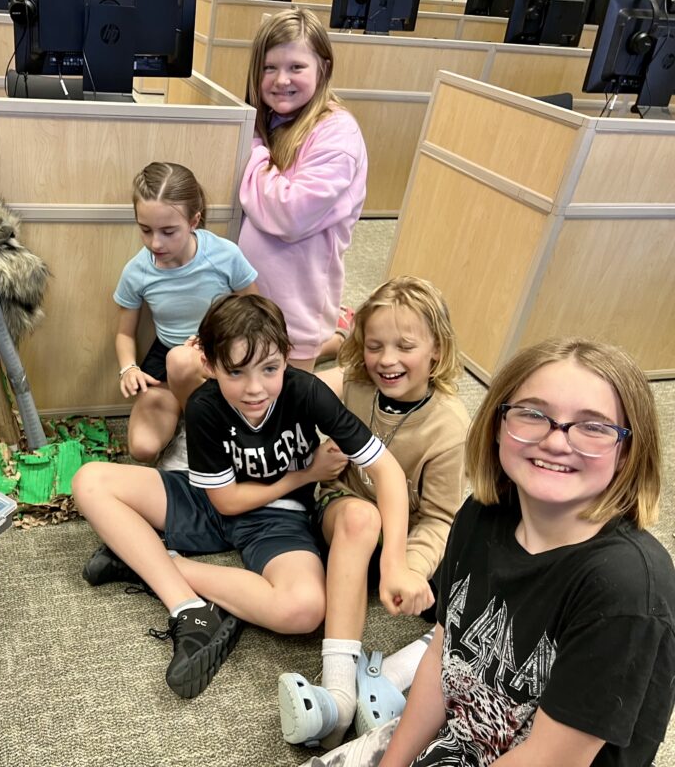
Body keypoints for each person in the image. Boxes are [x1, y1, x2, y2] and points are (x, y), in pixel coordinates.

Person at [73, 294, 413, 700]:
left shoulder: (306, 391)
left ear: (287, 357)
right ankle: (188, 606)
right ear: (210, 366)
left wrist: (394, 560)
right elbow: (225, 502)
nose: (255, 389)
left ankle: (147, 563)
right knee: (90, 481)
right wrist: (303, 475)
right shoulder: (205, 406)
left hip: (279, 520)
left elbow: (386, 469)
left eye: (270, 369)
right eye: (236, 372)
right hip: (217, 501)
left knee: (304, 610)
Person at [374, 337, 675, 766]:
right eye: (534, 414)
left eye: (593, 426)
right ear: (498, 425)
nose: (557, 441)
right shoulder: (480, 514)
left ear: (627, 451)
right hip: (465, 744)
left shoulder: (627, 588)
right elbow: (442, 656)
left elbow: (550, 759)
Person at [277, 276, 471, 749]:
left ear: (437, 353)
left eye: (405, 346)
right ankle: (340, 695)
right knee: (363, 518)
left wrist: (409, 569)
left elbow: (441, 519)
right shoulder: (352, 384)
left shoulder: (449, 427)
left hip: (408, 541)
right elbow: (294, 390)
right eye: (375, 345)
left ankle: (391, 673)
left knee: (484, 573)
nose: (387, 359)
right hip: (344, 511)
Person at [239, 7, 368, 372]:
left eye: (296, 67)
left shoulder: (337, 133)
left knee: (289, 400)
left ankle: (341, 340)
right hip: (255, 293)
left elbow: (290, 213)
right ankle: (339, 336)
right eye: (269, 68)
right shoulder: (271, 119)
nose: (281, 80)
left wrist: (252, 152)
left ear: (323, 68)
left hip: (298, 301)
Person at [115, 161, 258, 462]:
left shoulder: (224, 254)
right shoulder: (137, 271)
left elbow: (255, 310)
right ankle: (188, 413)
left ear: (194, 220)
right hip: (167, 360)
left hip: (220, 357)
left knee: (187, 362)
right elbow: (124, 332)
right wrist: (128, 368)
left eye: (168, 231)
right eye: (145, 230)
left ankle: (195, 424)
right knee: (142, 448)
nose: (156, 242)